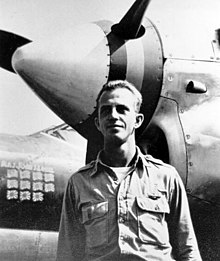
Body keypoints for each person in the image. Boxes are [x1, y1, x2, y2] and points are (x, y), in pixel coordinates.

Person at [56, 80, 202, 261]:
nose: (113, 116)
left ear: (138, 120)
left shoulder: (166, 177)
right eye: (106, 110)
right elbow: (68, 254)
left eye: (122, 109)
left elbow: (188, 251)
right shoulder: (79, 183)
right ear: (98, 123)